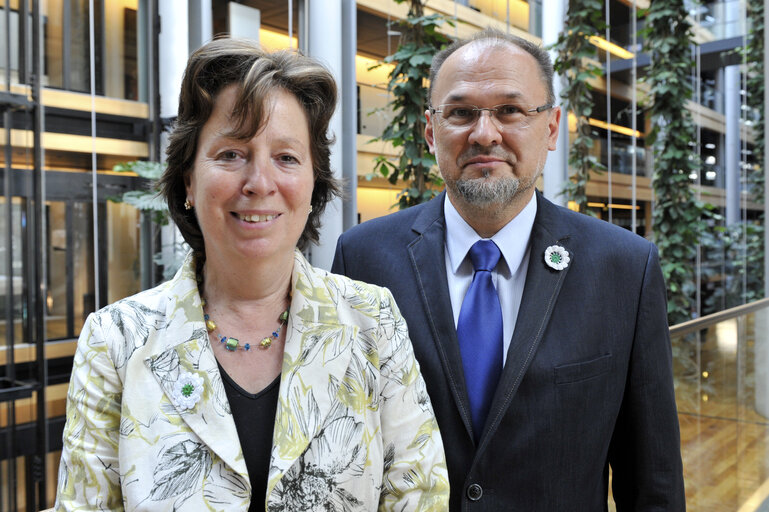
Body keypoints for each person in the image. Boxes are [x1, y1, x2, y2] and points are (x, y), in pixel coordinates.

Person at [55, 38, 448, 511]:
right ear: (188, 182)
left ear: (312, 184)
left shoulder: (374, 322)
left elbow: (420, 499)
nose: (260, 182)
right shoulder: (115, 341)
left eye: (285, 157)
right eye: (231, 154)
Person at [332, 28, 685, 510]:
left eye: (511, 111)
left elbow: (653, 483)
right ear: (431, 130)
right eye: (460, 113)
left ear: (553, 127)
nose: (484, 134)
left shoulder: (624, 268)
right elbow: (340, 453)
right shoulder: (363, 259)